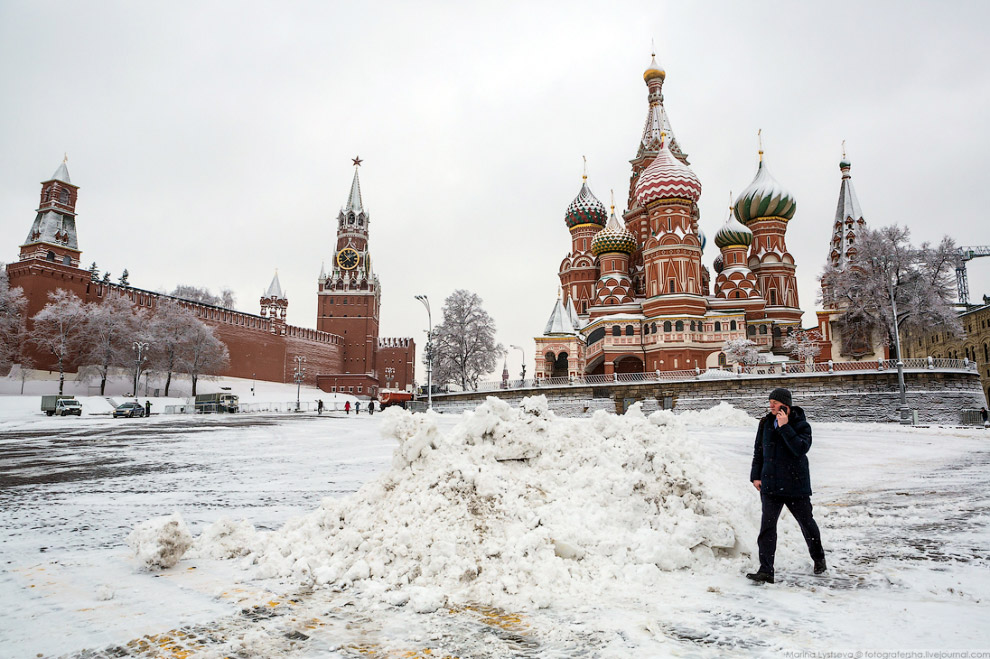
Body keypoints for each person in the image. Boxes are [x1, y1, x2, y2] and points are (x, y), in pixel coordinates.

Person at [747, 387, 826, 584]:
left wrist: (785, 427)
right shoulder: (765, 423)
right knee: (767, 528)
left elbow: (800, 448)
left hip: (795, 485)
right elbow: (759, 450)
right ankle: (766, 569)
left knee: (807, 524)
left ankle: (818, 558)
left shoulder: (800, 424)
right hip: (770, 485)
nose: (771, 405)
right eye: (770, 402)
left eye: (775, 402)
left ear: (786, 405)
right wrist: (755, 476)